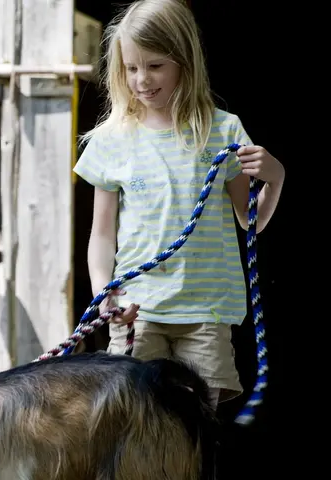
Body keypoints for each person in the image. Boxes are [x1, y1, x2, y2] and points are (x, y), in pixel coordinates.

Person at [73, 0, 285, 408]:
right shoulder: (111, 139)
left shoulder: (223, 130)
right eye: (131, 68)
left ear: (184, 61)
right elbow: (101, 235)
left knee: (197, 424)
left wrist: (275, 178)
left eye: (155, 66)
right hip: (138, 307)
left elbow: (250, 221)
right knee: (138, 422)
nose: (141, 80)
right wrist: (106, 297)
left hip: (206, 311)